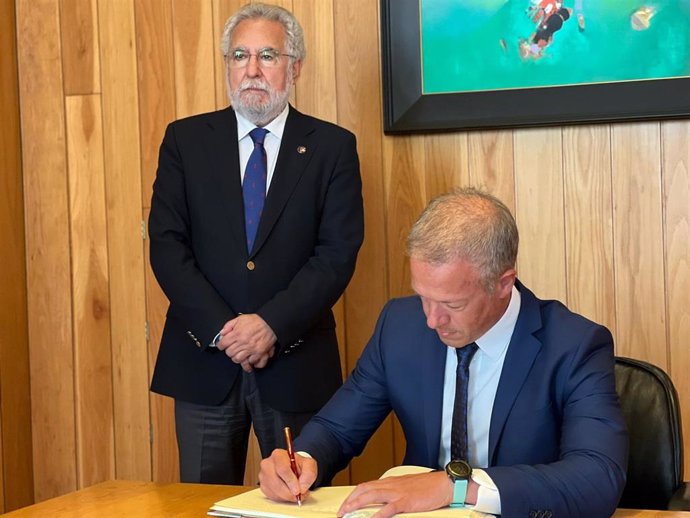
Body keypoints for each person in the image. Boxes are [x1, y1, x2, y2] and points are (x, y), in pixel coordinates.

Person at [259, 188, 628, 517]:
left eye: (452, 303)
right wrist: (301, 461)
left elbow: (597, 478)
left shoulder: (574, 345)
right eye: (423, 297)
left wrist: (457, 488)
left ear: (503, 283)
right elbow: (337, 429)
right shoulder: (399, 326)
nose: (432, 320)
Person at [148, 2, 364, 485]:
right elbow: (166, 245)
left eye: (267, 55)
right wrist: (226, 330)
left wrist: (270, 325)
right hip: (204, 360)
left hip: (295, 362)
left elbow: (336, 255)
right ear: (227, 64)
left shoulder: (332, 147)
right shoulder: (185, 141)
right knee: (201, 504)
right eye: (239, 55)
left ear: (295, 67)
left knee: (299, 501)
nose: (251, 70)